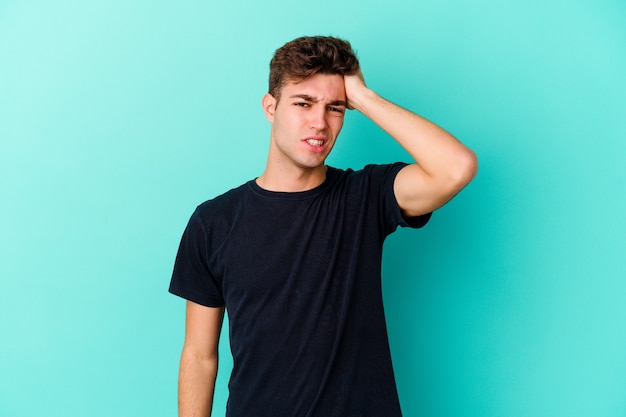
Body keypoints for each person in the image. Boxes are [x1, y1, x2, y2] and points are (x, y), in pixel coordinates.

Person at [169, 35, 477, 417]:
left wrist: (364, 97)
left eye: (335, 108)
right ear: (271, 107)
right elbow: (199, 354)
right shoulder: (213, 221)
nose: (320, 123)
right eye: (303, 103)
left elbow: (456, 168)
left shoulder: (365, 197)